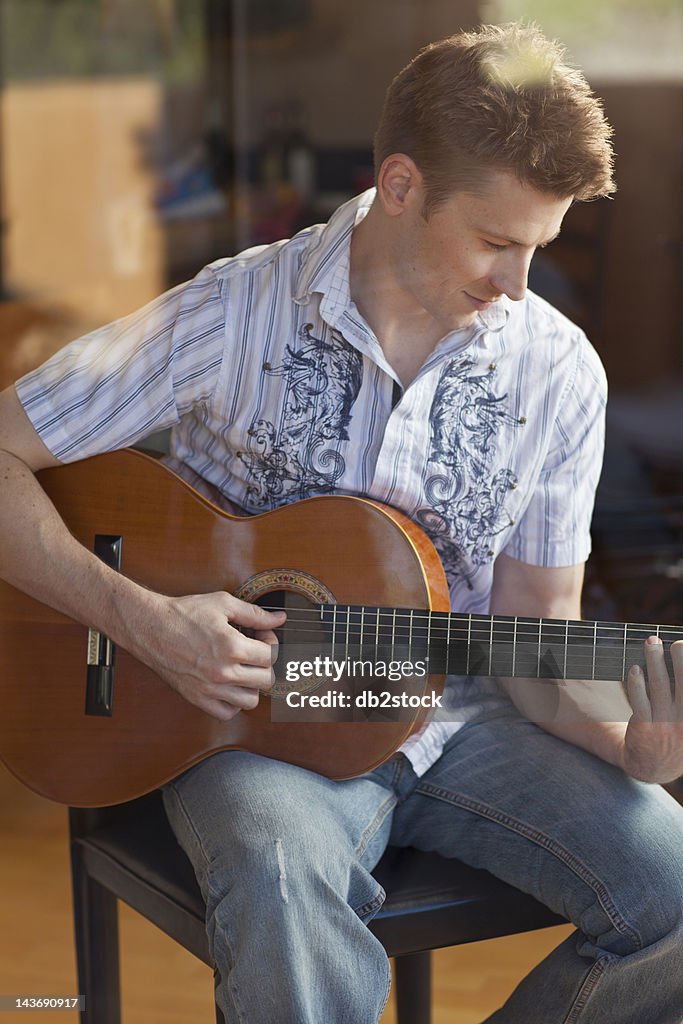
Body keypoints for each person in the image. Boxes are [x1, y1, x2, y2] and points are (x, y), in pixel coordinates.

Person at [1, 21, 682, 1023]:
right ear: (400, 185)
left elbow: (540, 627)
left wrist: (633, 744)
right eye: (495, 242)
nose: (516, 286)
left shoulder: (556, 368)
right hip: (248, 734)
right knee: (279, 873)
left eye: (536, 248)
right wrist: (140, 617)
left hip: (464, 725)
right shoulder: (227, 315)